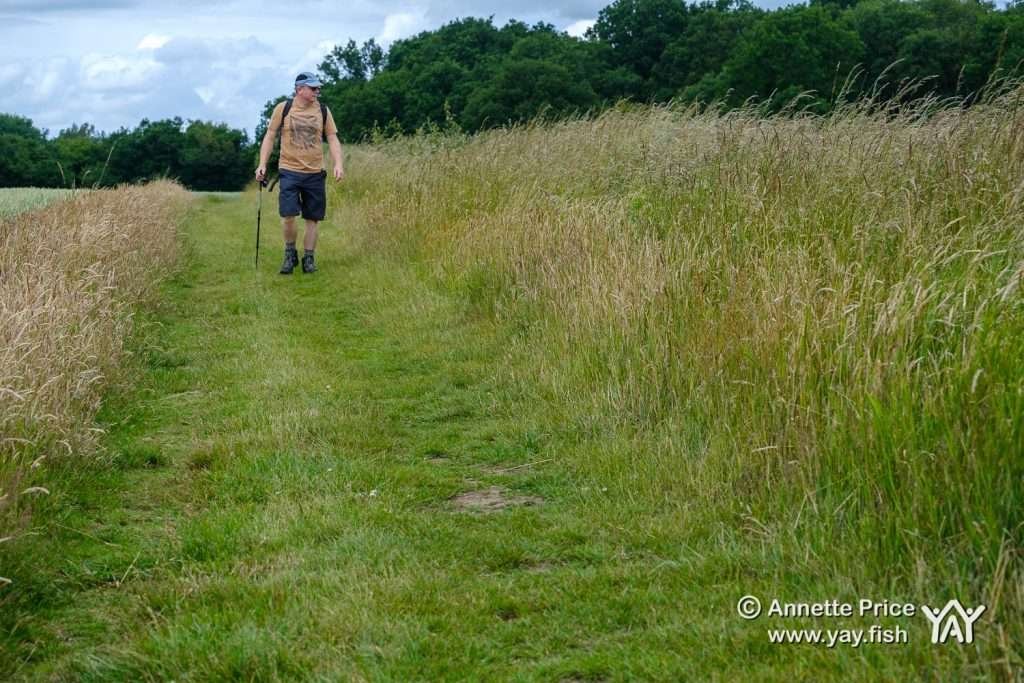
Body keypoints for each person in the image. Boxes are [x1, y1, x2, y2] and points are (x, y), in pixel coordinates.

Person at [255, 72, 344, 274]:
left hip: (315, 172)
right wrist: (262, 164)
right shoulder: (283, 108)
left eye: (318, 88)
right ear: (299, 89)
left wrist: (338, 163)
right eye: (313, 88)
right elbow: (270, 137)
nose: (317, 91)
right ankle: (290, 254)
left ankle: (309, 259)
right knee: (288, 215)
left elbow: (332, 138)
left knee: (312, 218)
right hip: (289, 170)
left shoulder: (323, 110)